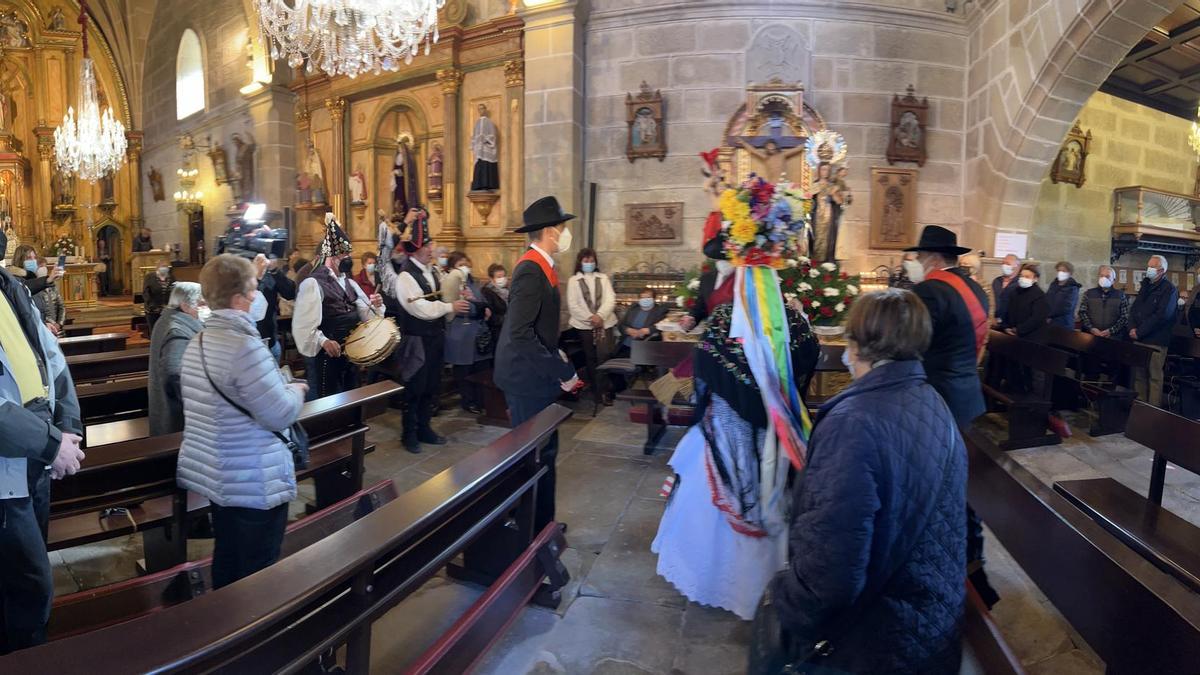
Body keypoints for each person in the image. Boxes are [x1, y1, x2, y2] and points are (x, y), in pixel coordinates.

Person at [767, 289, 966, 674]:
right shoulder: (932, 400)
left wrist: (782, 598)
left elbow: (831, 575)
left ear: (856, 344)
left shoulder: (853, 423)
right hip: (932, 623)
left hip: (879, 642)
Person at [653, 175, 820, 621]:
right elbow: (805, 364)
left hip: (728, 438)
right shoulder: (795, 322)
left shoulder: (729, 319)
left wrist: (718, 408)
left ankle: (722, 579)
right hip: (779, 436)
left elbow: (706, 378)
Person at [176, 254, 307, 589]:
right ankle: (255, 635)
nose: (254, 298)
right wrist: (296, 391)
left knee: (229, 557)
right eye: (251, 292)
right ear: (237, 300)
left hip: (221, 475)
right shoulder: (245, 347)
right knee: (257, 570)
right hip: (253, 477)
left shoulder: (198, 341)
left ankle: (225, 629)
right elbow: (279, 413)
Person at [0, 228, 84, 654]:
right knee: (31, 586)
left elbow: (53, 358)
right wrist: (52, 443)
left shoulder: (11, 286)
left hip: (37, 457)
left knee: (27, 584)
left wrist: (67, 427)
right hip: (5, 471)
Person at [903, 226, 996, 608]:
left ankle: (943, 567)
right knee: (963, 483)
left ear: (934, 259)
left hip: (936, 402)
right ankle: (973, 564)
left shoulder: (929, 291)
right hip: (966, 397)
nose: (916, 265)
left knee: (940, 487)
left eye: (920, 258)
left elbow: (908, 343)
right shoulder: (974, 287)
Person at [494, 196, 580, 532]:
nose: (565, 232)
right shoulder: (531, 269)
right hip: (525, 378)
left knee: (544, 453)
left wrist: (556, 356)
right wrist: (562, 371)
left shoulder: (539, 265)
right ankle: (530, 528)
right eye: (562, 227)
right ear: (549, 232)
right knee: (536, 455)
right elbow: (519, 333)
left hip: (531, 373)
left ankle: (542, 525)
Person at [395, 216, 468, 453]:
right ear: (415, 250)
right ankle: (409, 434)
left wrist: (458, 291)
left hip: (434, 337)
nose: (431, 250)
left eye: (430, 245)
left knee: (432, 386)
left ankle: (425, 428)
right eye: (426, 246)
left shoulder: (433, 271)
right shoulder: (405, 276)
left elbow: (444, 292)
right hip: (416, 339)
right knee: (415, 387)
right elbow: (420, 309)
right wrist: (449, 308)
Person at [293, 214, 383, 400]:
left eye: (349, 253)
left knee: (352, 400)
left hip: (350, 355)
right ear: (331, 256)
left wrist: (376, 306)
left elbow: (367, 316)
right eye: (344, 254)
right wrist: (323, 340)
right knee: (329, 403)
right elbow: (303, 325)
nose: (348, 257)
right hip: (327, 356)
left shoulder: (350, 283)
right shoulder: (313, 283)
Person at [148, 282, 205, 436]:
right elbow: (174, 373)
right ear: (185, 306)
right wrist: (198, 403)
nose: (203, 309)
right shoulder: (177, 330)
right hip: (178, 417)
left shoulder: (168, 319)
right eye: (200, 304)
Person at [567, 248, 618, 405]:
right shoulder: (573, 281)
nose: (589, 263)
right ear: (580, 262)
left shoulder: (603, 278)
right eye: (585, 261)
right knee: (590, 358)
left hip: (605, 323)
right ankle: (596, 392)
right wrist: (591, 317)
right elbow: (573, 305)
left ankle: (606, 391)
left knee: (605, 356)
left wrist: (600, 316)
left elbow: (611, 299)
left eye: (591, 260)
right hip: (584, 325)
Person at [443, 252, 489, 414]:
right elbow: (462, 307)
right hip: (460, 334)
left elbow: (481, 302)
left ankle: (481, 400)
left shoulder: (473, 282)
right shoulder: (451, 282)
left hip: (476, 332)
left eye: (466, 263)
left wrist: (481, 307)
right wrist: (479, 309)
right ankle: (468, 401)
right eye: (460, 265)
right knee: (464, 371)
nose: (464, 267)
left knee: (480, 369)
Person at [1129, 255, 1178, 407]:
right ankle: (1140, 407)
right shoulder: (1146, 285)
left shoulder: (1169, 289)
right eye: (1148, 266)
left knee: (1154, 377)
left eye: (1151, 267)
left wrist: (1140, 331)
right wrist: (1131, 328)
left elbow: (1162, 315)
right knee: (1139, 375)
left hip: (1156, 340)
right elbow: (1135, 308)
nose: (1148, 270)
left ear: (1162, 270)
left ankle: (1152, 411)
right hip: (1140, 338)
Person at [252, 254, 296, 364]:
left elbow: (289, 293)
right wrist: (256, 277)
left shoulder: (269, 274)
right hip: (251, 345)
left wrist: (275, 270)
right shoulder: (241, 272)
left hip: (271, 341)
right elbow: (248, 305)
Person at [1078, 265, 1129, 340]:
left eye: (1107, 276)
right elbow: (1082, 313)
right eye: (1102, 276)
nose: (1104, 278)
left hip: (1113, 337)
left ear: (1113, 280)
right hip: (1090, 336)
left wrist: (1111, 331)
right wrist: (1091, 328)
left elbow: (1124, 317)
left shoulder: (1120, 295)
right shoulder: (1089, 293)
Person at [998, 263, 1049, 338]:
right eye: (1021, 276)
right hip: (1011, 333)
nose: (1023, 278)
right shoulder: (1015, 292)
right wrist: (1005, 326)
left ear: (1035, 279)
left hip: (1030, 336)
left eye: (1027, 277)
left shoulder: (1040, 296)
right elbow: (1007, 310)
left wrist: (1018, 329)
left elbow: (1037, 318)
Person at [618, 287, 668, 352]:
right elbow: (621, 324)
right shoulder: (633, 309)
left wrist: (648, 330)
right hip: (627, 344)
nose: (645, 299)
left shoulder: (660, 310)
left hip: (646, 346)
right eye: (642, 297)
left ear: (654, 299)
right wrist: (627, 330)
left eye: (648, 297)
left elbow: (663, 325)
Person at [143, 258, 175, 336]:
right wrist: (152, 305)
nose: (164, 268)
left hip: (167, 310)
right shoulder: (149, 277)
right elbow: (146, 293)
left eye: (166, 266)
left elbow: (175, 291)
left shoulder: (171, 278)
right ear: (157, 267)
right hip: (153, 310)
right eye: (162, 266)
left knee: (166, 332)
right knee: (155, 333)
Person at [1045, 261, 1082, 329]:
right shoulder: (1053, 284)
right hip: (1050, 322)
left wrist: (1050, 316)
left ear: (1070, 273)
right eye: (1059, 270)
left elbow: (1066, 307)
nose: (1060, 273)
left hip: (1064, 323)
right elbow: (1047, 299)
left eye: (1063, 271)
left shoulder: (1073, 288)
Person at [481, 263, 509, 349]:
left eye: (503, 276)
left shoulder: (507, 290)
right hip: (495, 330)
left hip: (507, 329)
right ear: (491, 278)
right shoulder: (487, 292)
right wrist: (505, 319)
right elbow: (490, 314)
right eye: (499, 277)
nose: (502, 279)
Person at [991, 253, 1021, 323]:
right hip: (994, 321)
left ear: (1017, 267)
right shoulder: (996, 281)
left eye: (1007, 263)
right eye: (1003, 263)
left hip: (1010, 323)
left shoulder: (1020, 283)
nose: (1004, 266)